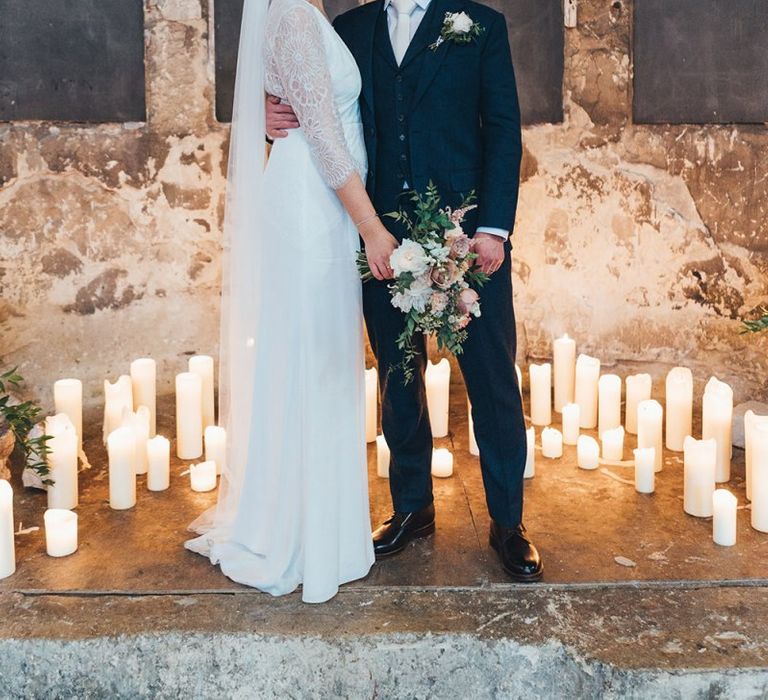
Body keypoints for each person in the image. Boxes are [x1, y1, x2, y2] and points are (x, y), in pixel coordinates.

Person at [267, 0, 542, 581]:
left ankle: (508, 523)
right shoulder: (350, 28)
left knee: (492, 379)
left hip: (466, 237)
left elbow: (503, 129)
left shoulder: (480, 25)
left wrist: (493, 228)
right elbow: (317, 106)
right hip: (381, 240)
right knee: (398, 378)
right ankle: (413, 506)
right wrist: (269, 115)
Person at [185, 0, 399, 603]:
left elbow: (310, 109)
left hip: (320, 203)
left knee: (321, 360)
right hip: (315, 205)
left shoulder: (306, 15)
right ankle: (304, 538)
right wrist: (371, 229)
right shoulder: (297, 18)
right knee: (316, 360)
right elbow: (328, 141)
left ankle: (321, 528)